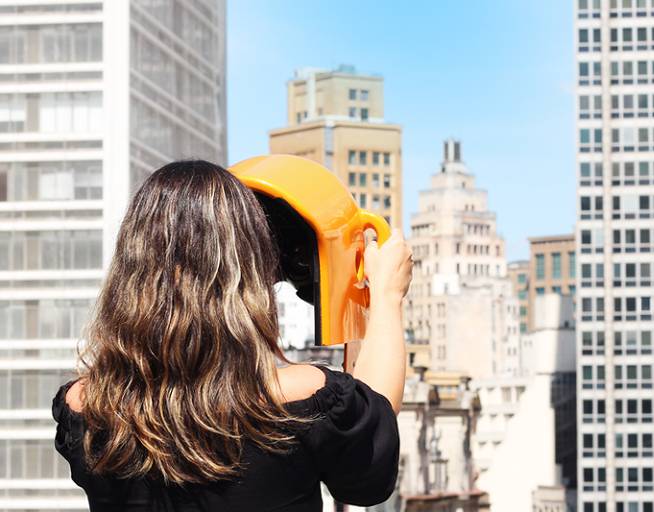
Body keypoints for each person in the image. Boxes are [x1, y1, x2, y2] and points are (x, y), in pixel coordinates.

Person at [51, 160, 413, 511]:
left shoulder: (83, 405)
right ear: (245, 276)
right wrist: (385, 297)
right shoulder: (296, 398)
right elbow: (370, 457)